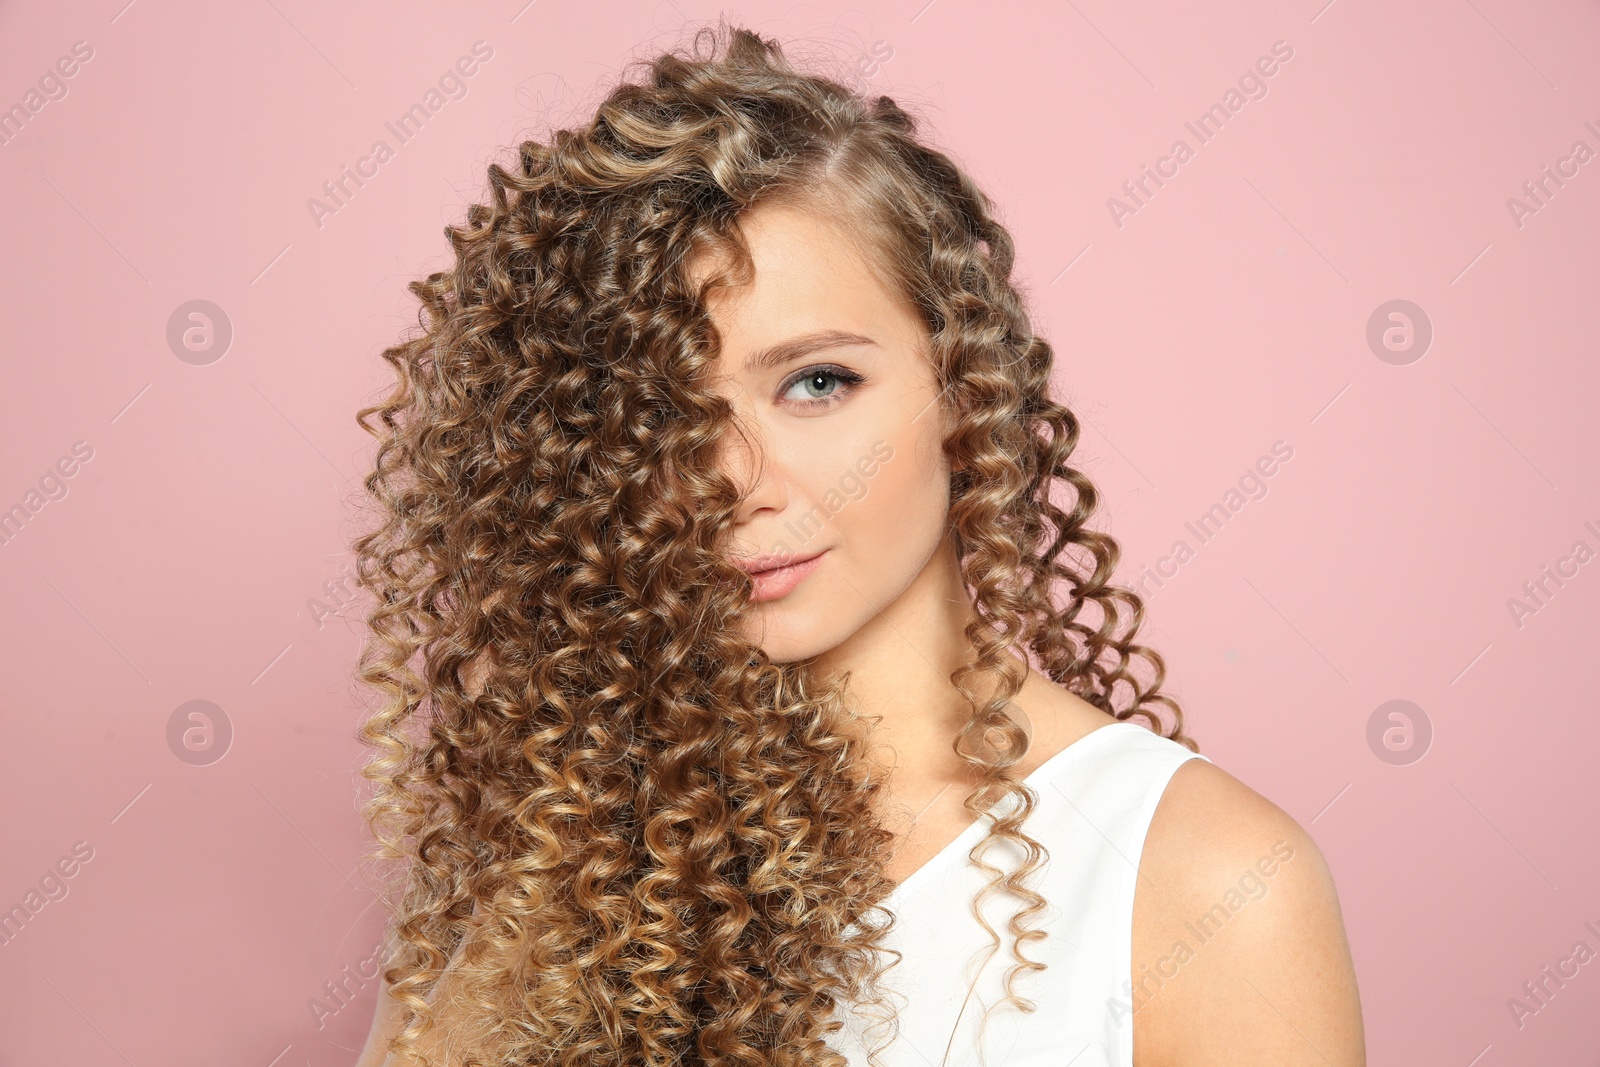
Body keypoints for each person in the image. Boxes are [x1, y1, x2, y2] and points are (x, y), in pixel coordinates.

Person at [349, 21, 1364, 1067]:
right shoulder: (545, 878)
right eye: (657, 415)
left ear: (965, 387)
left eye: (816, 382)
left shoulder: (1206, 882)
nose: (734, 480)